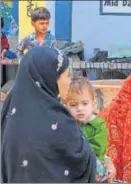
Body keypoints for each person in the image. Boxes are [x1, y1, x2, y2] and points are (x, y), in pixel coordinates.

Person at [1, 47, 96, 182]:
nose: (69, 81)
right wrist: (106, 166)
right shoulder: (57, 123)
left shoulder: (10, 113)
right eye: (67, 75)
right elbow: (82, 164)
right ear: (51, 78)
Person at [66, 77, 116, 183]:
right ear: (66, 106)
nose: (80, 108)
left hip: (92, 165)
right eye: (73, 105)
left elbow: (98, 148)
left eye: (85, 103)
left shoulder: (98, 124)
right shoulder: (66, 125)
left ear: (93, 105)